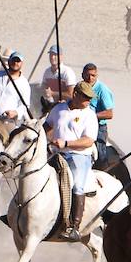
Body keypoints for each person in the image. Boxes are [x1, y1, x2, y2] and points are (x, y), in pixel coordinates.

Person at [43, 80, 99, 241]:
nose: (89, 101)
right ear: (76, 94)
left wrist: (66, 143)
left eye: (90, 98)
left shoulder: (89, 115)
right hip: (54, 152)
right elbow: (47, 126)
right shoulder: (59, 108)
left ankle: (73, 227)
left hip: (78, 156)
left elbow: (88, 141)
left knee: (77, 186)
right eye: (86, 97)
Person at [0, 49, 31, 135]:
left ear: (22, 64)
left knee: (9, 141)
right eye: (13, 60)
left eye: (18, 61)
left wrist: (15, 112)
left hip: (6, 120)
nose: (15, 63)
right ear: (9, 61)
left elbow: (25, 105)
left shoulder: (24, 83)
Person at [80, 62, 114, 163]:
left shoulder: (102, 90)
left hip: (98, 127)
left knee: (100, 156)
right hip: (81, 124)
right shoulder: (81, 87)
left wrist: (91, 116)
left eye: (93, 75)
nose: (90, 78)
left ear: (97, 75)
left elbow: (109, 113)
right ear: (82, 75)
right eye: (87, 75)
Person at [38, 45, 76, 114]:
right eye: (51, 55)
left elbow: (71, 94)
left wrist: (52, 93)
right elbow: (44, 88)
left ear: (61, 56)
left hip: (66, 108)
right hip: (52, 107)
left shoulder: (67, 72)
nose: (52, 57)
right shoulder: (47, 72)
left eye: (55, 55)